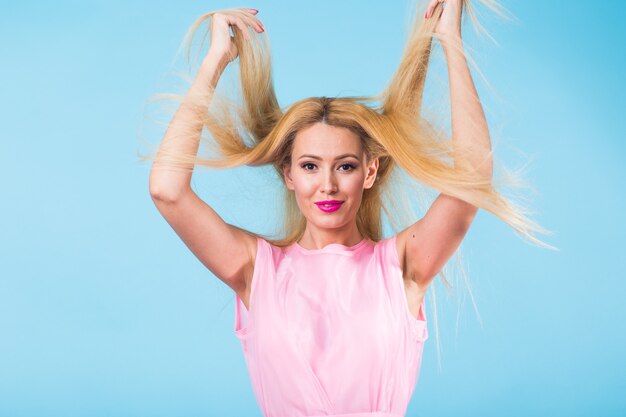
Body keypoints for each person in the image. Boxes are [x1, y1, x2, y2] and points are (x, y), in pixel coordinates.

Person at [145, 1, 554, 415]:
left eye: (345, 166)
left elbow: (472, 178)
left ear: (370, 171)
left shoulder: (402, 265)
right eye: (309, 166)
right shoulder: (256, 270)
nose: (328, 185)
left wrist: (449, 41)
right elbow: (167, 190)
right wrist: (215, 61)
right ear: (289, 174)